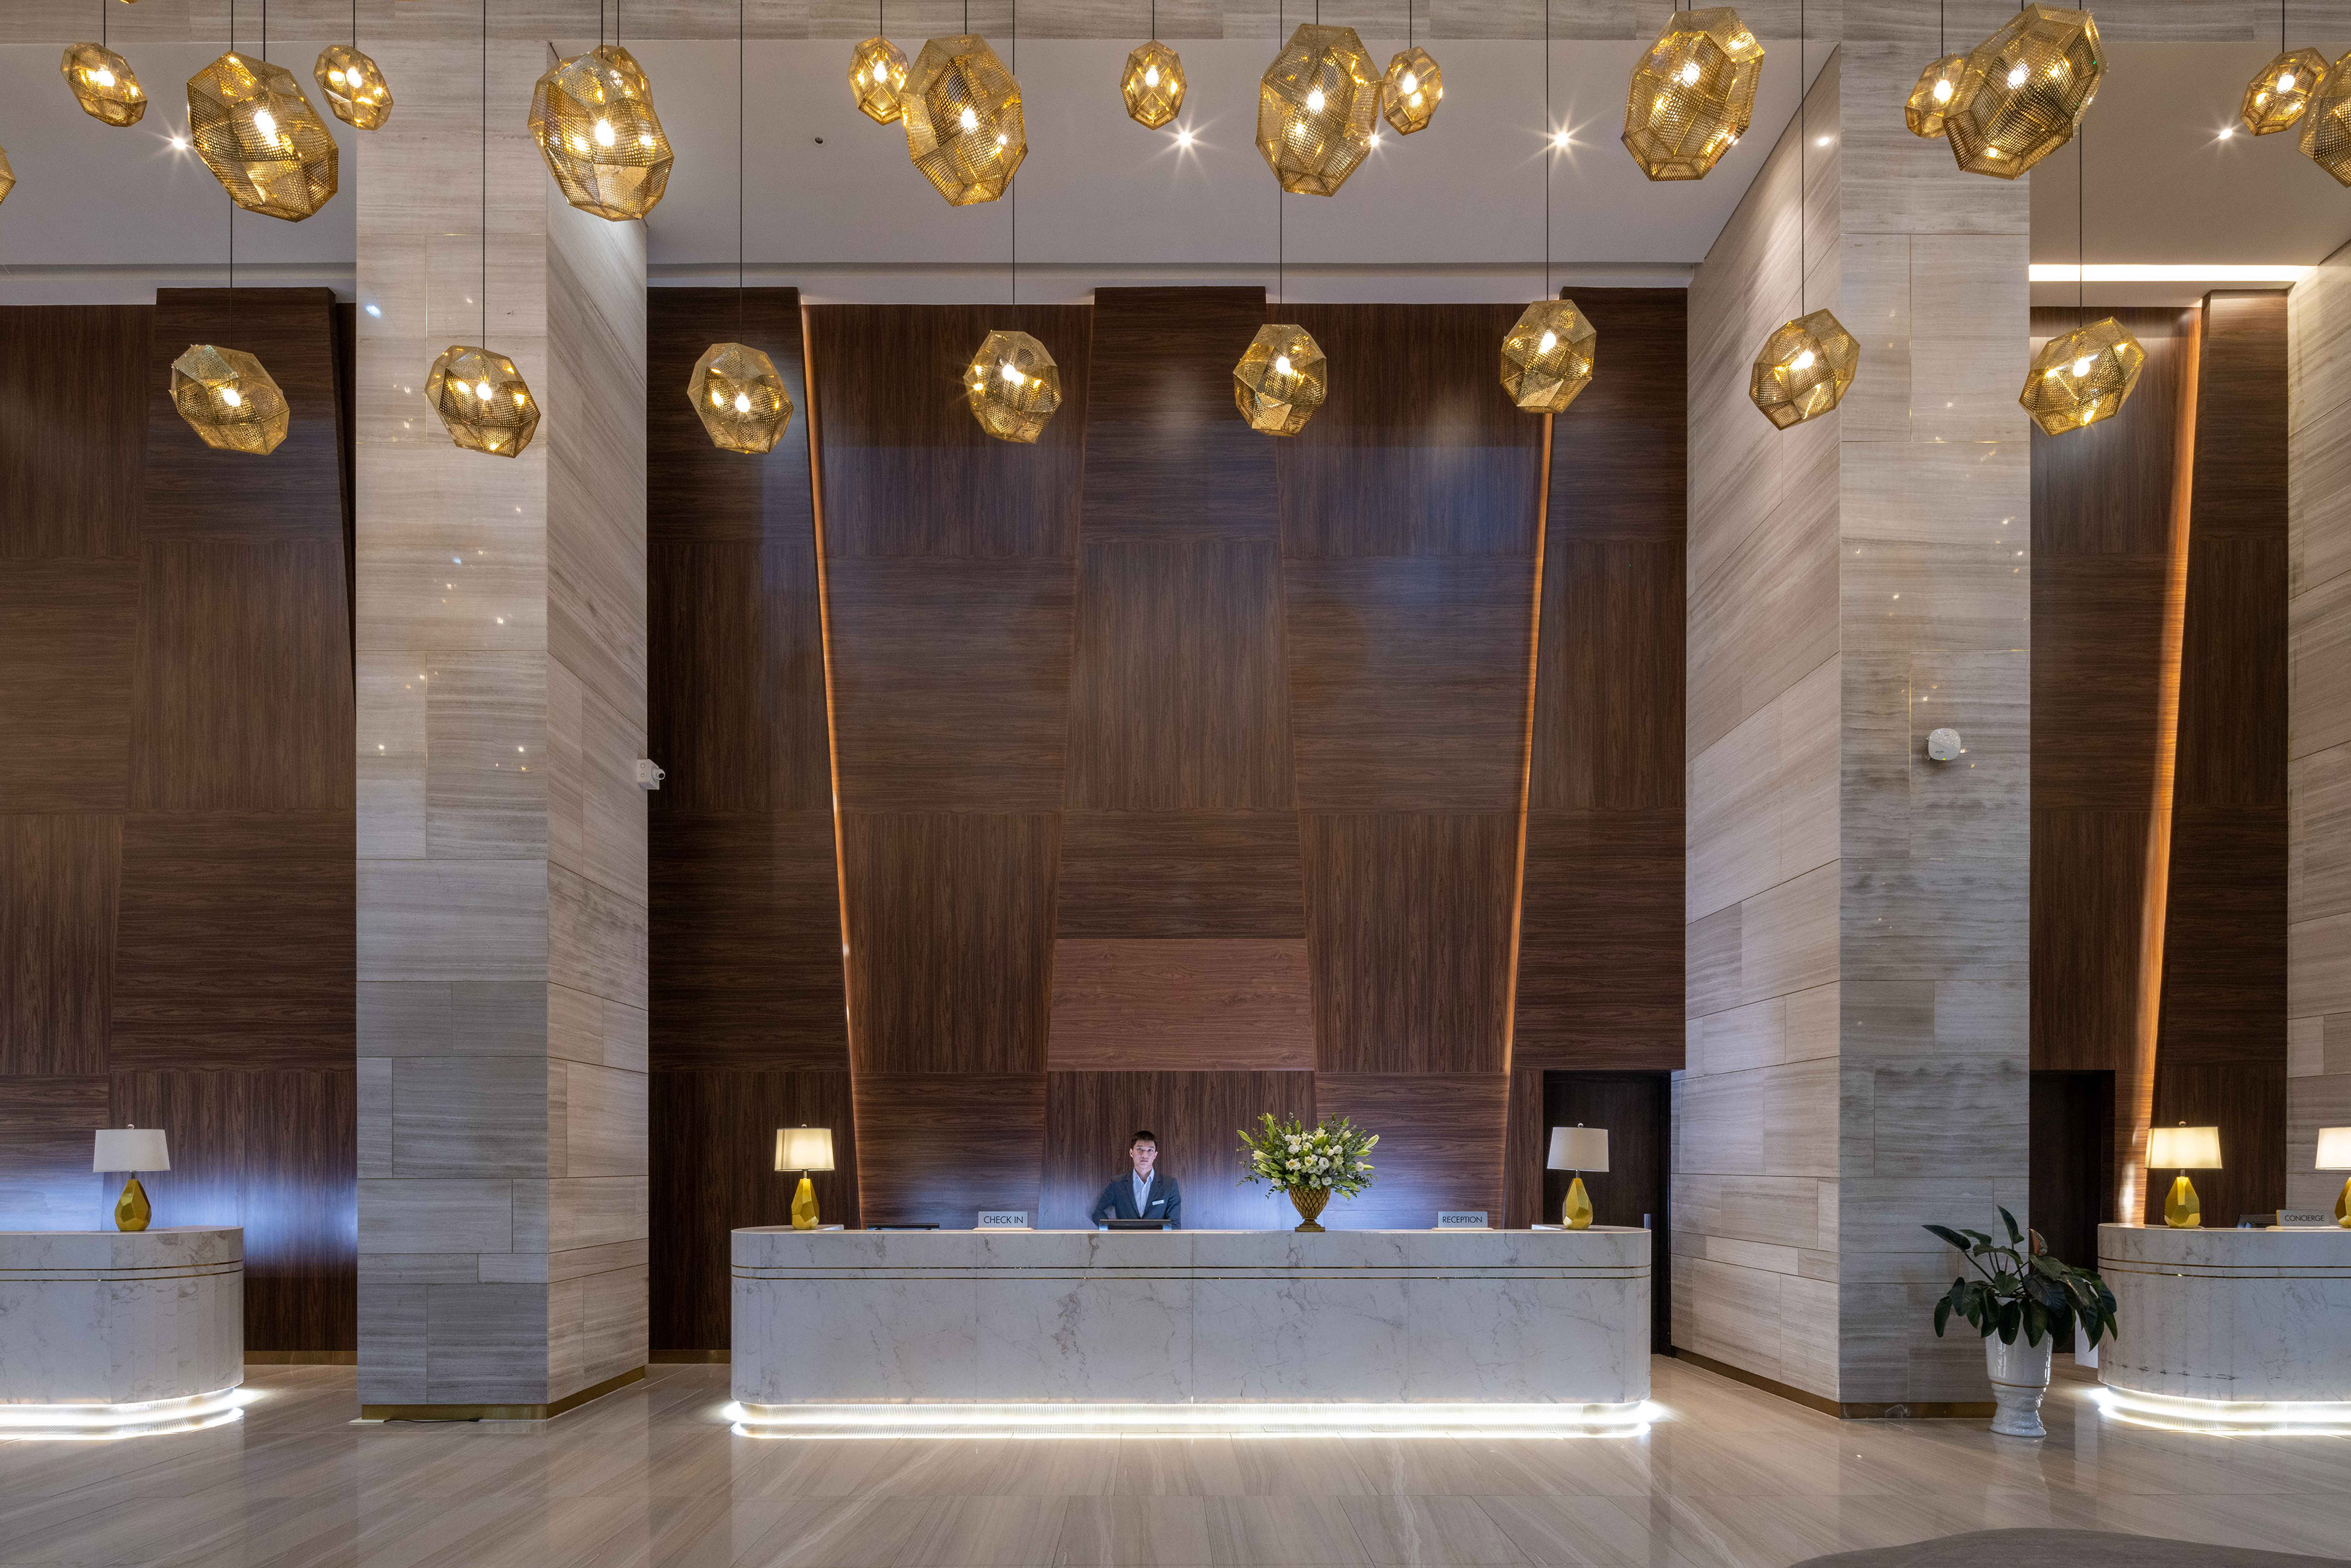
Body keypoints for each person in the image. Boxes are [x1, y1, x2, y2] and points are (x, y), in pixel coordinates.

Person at [1091, 1129, 1180, 1228]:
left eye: (1150, 1150)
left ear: (1155, 1155)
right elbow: (1097, 1213)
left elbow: (1174, 1224)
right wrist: (1115, 1232)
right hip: (1124, 1242)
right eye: (1140, 1149)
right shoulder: (1117, 1183)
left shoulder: (1169, 1184)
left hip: (1158, 1243)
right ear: (1131, 1153)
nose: (1144, 1155)